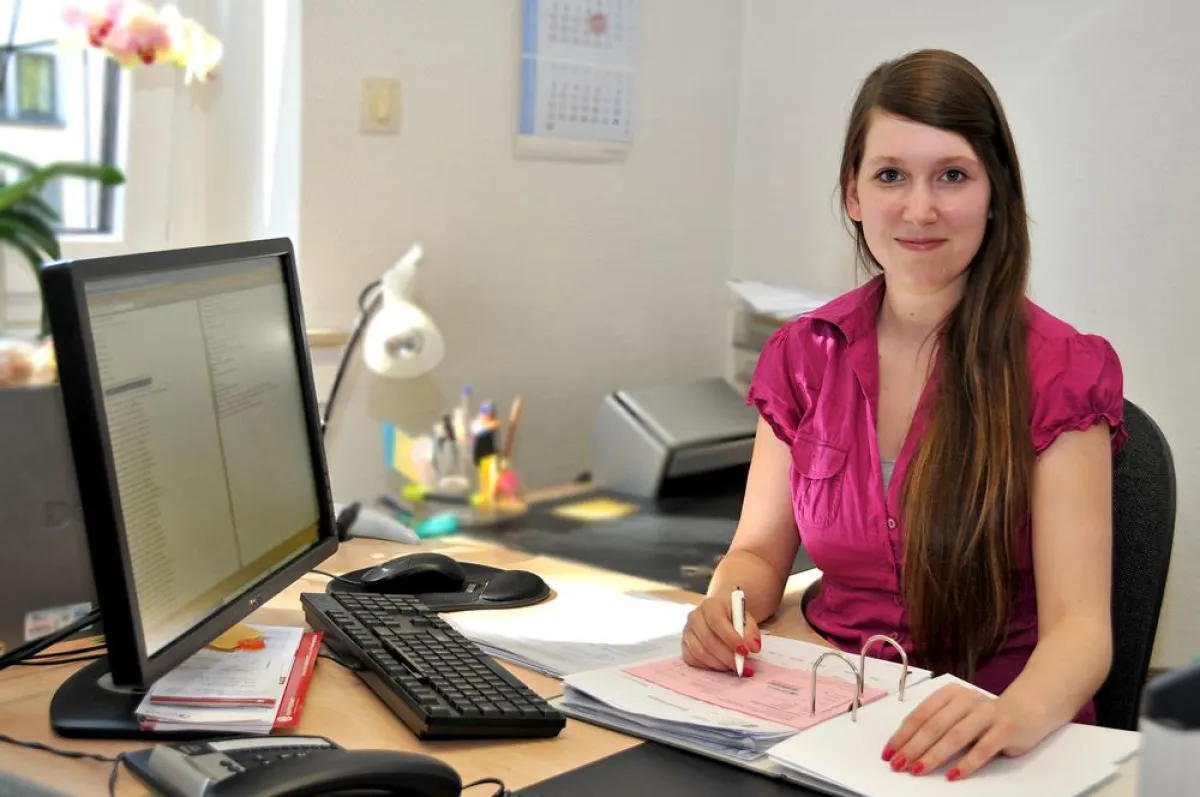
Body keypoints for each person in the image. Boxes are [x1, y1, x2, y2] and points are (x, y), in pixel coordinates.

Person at [682, 48, 1125, 782]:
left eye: (952, 175)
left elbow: (1080, 630)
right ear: (853, 194)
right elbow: (758, 554)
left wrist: (1012, 714)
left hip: (994, 738)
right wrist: (724, 607)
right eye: (890, 175)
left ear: (995, 192)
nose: (920, 209)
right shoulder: (804, 355)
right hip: (829, 715)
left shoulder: (1060, 371)